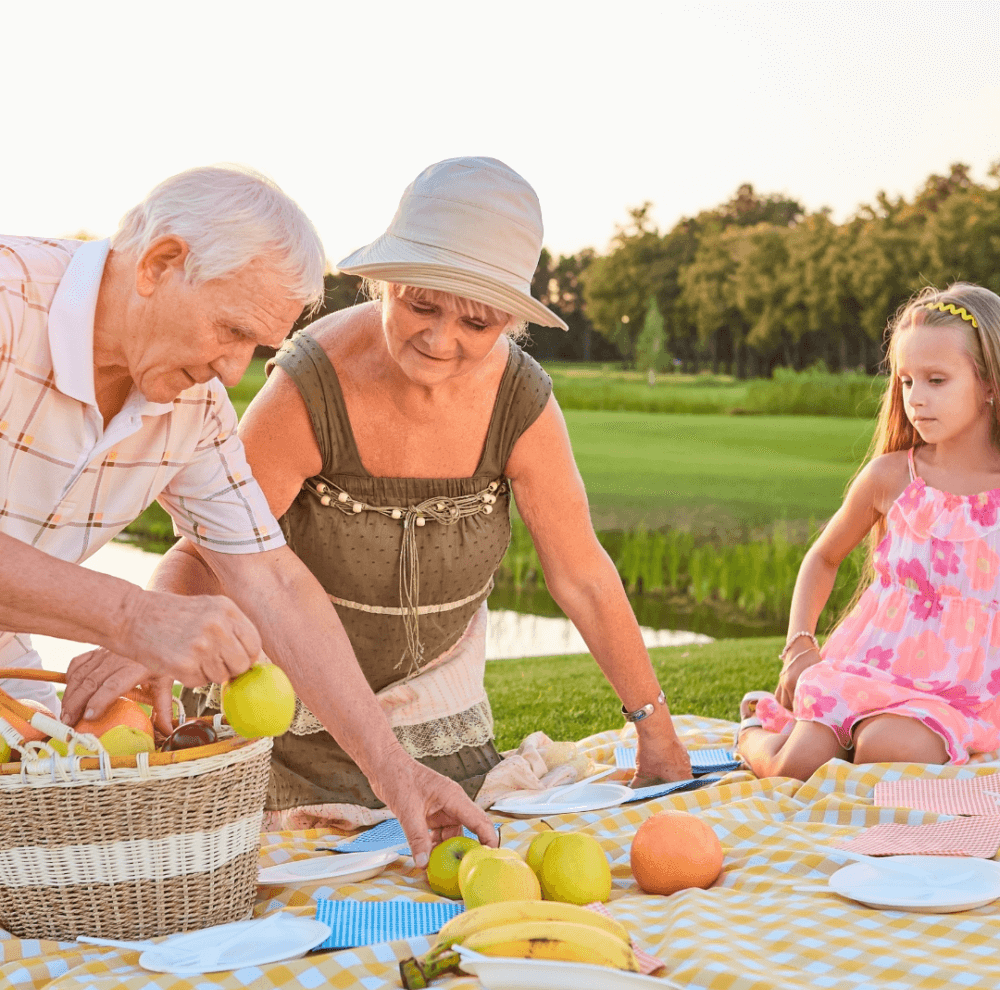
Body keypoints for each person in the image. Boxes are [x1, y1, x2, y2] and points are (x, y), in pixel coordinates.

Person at [141, 156, 692, 823]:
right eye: (421, 304)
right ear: (384, 282)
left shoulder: (522, 405)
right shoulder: (309, 386)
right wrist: (143, 652)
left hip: (435, 731)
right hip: (275, 727)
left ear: (511, 323)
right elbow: (207, 555)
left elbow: (583, 578)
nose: (439, 339)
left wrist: (655, 732)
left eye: (477, 324)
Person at [5, 165, 496, 864]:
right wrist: (139, 620)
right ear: (160, 264)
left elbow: (272, 579)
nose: (235, 373)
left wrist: (394, 771)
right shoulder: (7, 302)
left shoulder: (191, 410)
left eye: (255, 347)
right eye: (230, 330)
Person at [737, 283, 1000, 781]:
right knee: (798, 763)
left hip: (961, 690)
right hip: (871, 667)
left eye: (937, 380)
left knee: (888, 747)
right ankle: (753, 732)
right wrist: (799, 645)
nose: (915, 399)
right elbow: (823, 557)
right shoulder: (890, 477)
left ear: (988, 381)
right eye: (906, 381)